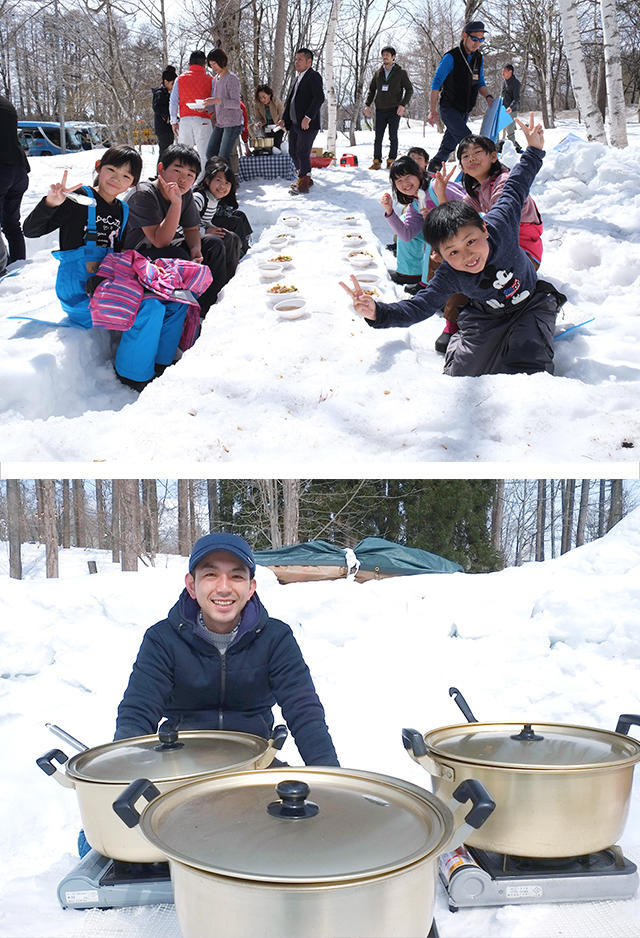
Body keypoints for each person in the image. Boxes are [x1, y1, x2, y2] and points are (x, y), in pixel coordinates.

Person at [341, 115, 566, 378]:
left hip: (529, 303)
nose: (468, 256)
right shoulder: (449, 271)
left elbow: (516, 186)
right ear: (439, 254)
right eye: (454, 252)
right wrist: (378, 312)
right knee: (459, 373)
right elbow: (419, 306)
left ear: (484, 228)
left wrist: (534, 150)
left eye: (470, 242)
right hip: (486, 315)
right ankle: (460, 337)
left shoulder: (500, 224)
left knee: (529, 367)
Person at [114, 532, 339, 768]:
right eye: (211, 575)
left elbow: (304, 712)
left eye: (236, 576)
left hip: (254, 764)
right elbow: (138, 711)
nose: (224, 588)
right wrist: (124, 768)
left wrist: (330, 775)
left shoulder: (276, 638)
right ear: (192, 585)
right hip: (179, 766)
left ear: (251, 587)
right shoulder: (162, 639)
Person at [21, 146, 192, 391]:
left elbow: (118, 253)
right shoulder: (79, 198)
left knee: (174, 299)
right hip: (79, 292)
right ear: (99, 167)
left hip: (108, 284)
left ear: (133, 182)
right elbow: (31, 230)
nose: (117, 179)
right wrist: (51, 203)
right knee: (150, 307)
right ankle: (133, 375)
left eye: (126, 176)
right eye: (111, 170)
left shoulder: (122, 209)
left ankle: (162, 363)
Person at [121, 143, 228, 317]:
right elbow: (160, 241)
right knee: (179, 255)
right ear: (161, 168)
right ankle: (184, 312)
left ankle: (207, 308)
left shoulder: (184, 193)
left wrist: (195, 249)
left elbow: (192, 228)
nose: (183, 179)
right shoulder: (144, 193)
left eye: (190, 175)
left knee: (214, 244)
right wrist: (176, 203)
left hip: (161, 248)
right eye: (177, 171)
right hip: (134, 256)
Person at [383, 155, 468, 351]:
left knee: (434, 241)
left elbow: (470, 209)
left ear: (419, 174)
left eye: (408, 177)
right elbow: (406, 235)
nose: (405, 184)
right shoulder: (414, 202)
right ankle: (415, 277)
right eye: (399, 181)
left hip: (468, 238)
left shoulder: (436, 188)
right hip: (448, 241)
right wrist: (389, 212)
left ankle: (439, 298)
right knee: (425, 237)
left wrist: (439, 215)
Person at [455, 134, 542, 267]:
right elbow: (458, 218)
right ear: (462, 167)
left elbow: (500, 220)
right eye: (465, 156)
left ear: (493, 157)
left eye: (477, 152)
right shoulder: (477, 190)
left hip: (524, 253)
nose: (471, 158)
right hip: (503, 245)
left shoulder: (504, 181)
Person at [427, 21, 494, 174]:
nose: (478, 43)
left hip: (464, 110)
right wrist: (432, 110)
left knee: (448, 146)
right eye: (475, 39)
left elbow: (480, 82)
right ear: (465, 36)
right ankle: (476, 175)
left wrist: (488, 97)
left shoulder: (478, 58)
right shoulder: (451, 57)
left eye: (481, 39)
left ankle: (432, 171)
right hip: (449, 109)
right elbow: (436, 84)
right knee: (469, 141)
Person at [193, 157, 251, 284]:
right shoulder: (199, 198)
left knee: (232, 237)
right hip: (186, 239)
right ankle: (220, 284)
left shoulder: (213, 199)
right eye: (218, 180)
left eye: (227, 183)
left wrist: (213, 228)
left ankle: (230, 279)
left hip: (197, 234)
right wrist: (206, 231)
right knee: (224, 238)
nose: (223, 186)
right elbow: (182, 224)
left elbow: (206, 221)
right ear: (208, 180)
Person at [279, 48, 325, 195]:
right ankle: (304, 177)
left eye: (300, 59)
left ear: (309, 61)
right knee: (293, 151)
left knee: (302, 152)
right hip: (294, 123)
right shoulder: (296, 78)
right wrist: (284, 119)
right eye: (296, 59)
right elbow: (290, 102)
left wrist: (308, 117)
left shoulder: (314, 76)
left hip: (308, 124)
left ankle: (304, 182)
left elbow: (319, 98)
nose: (296, 62)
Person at [364, 47, 413, 170]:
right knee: (378, 137)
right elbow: (371, 90)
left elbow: (409, 90)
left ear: (393, 57)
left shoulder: (401, 72)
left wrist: (402, 105)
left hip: (394, 109)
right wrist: (367, 105)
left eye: (387, 55)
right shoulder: (377, 73)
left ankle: (391, 161)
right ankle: (376, 161)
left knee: (393, 136)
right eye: (383, 55)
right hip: (380, 109)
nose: (385, 57)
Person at [169, 51, 213, 178]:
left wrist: (173, 121)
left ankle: (184, 181)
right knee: (205, 153)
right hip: (204, 120)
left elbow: (173, 101)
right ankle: (203, 181)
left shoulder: (180, 79)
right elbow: (213, 102)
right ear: (204, 64)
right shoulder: (210, 79)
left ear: (189, 64)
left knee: (184, 154)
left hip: (185, 120)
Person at [0, 93, 30, 269]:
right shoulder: (6, 103)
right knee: (12, 225)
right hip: (18, 169)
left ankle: (2, 270)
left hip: (2, 169)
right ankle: (19, 266)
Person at [204, 49, 244, 163]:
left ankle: (228, 180)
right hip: (220, 123)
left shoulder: (231, 78)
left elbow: (236, 103)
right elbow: (215, 103)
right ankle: (220, 178)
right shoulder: (215, 80)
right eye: (211, 65)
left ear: (221, 61)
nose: (213, 67)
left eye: (214, 64)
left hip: (232, 123)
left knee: (223, 157)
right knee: (210, 153)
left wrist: (218, 101)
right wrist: (205, 106)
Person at [152, 65, 177, 161]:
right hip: (163, 127)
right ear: (166, 82)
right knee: (164, 152)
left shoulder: (167, 93)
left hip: (167, 127)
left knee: (167, 151)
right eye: (172, 83)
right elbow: (157, 107)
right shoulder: (160, 93)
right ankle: (160, 172)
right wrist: (167, 117)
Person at [254, 84, 284, 149]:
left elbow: (282, 114)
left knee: (277, 145)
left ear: (269, 95)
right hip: (267, 127)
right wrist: (259, 123)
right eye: (260, 98)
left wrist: (280, 122)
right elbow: (258, 117)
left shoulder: (276, 101)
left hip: (278, 127)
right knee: (268, 145)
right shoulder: (258, 105)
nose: (262, 99)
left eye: (264, 97)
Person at [501, 64, 523, 152]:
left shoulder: (516, 83)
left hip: (511, 111)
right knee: (499, 131)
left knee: (510, 132)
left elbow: (517, 99)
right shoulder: (504, 82)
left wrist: (510, 107)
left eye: (504, 72)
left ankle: (513, 151)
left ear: (510, 72)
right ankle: (515, 147)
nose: (502, 74)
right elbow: (502, 96)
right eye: (502, 72)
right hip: (502, 110)